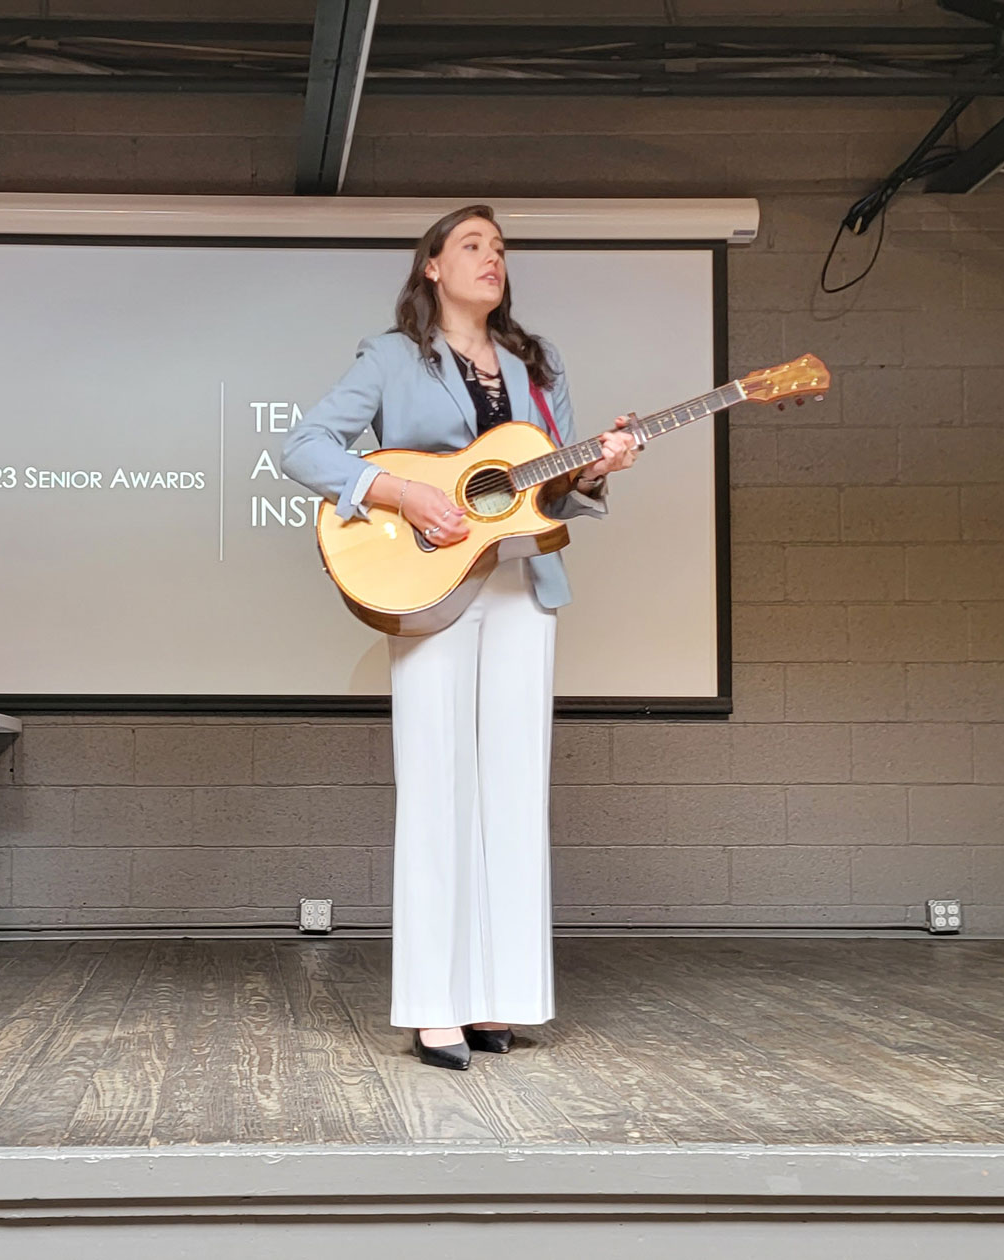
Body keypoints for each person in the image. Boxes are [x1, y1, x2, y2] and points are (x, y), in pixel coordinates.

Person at [281, 206, 641, 1070]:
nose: (493, 259)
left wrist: (595, 468)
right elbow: (303, 446)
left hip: (522, 582)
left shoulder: (535, 364)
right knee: (436, 788)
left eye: (501, 249)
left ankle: (499, 1000)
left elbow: (547, 491)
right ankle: (433, 1007)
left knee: (515, 791)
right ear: (433, 267)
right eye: (473, 246)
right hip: (431, 588)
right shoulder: (391, 356)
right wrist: (400, 494)